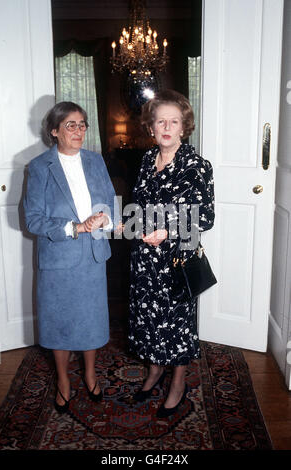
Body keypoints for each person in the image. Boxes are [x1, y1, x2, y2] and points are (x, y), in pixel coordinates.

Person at [24, 101, 118, 413]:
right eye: (70, 125)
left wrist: (103, 217)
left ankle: (90, 374)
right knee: (60, 322)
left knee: (91, 320)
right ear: (54, 131)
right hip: (59, 259)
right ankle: (64, 381)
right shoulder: (39, 167)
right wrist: (76, 227)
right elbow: (33, 219)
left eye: (82, 124)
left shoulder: (95, 161)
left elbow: (108, 201)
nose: (78, 131)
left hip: (92, 254)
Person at [127, 89, 215, 418]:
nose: (166, 126)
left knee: (176, 324)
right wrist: (130, 224)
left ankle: (178, 381)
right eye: (160, 120)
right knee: (148, 320)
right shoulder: (147, 160)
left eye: (173, 121)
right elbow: (138, 206)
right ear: (151, 127)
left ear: (184, 127)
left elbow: (205, 217)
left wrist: (168, 230)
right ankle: (155, 369)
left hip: (177, 259)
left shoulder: (196, 165)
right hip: (145, 258)